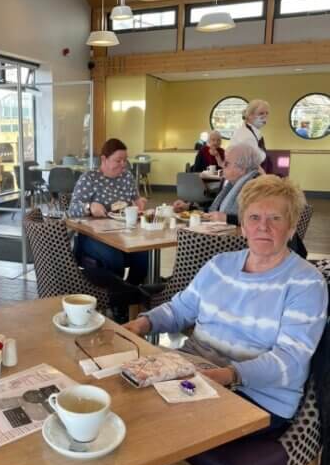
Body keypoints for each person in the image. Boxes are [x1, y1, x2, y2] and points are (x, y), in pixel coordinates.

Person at [128, 176, 327, 435]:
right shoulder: (220, 264)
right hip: (191, 369)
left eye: (275, 219)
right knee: (126, 405)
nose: (263, 227)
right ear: (242, 225)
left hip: (257, 397)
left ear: (291, 228)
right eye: (254, 218)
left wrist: (229, 375)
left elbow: (289, 360)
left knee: (150, 429)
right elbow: (179, 310)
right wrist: (141, 324)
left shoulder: (306, 283)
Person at [68, 138, 149, 287]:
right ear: (104, 159)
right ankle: (115, 299)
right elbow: (72, 209)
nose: (123, 165)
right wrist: (89, 207)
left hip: (123, 234)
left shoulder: (127, 178)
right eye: (118, 161)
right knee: (113, 257)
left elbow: (136, 199)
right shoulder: (90, 178)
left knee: (143, 255)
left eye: (125, 160)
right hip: (92, 237)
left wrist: (139, 202)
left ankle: (129, 293)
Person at [174, 142, 264, 223]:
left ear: (242, 169)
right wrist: (188, 207)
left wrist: (227, 218)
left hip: (237, 238)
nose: (222, 166)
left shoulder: (256, 187)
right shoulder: (232, 184)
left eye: (227, 163)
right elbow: (214, 210)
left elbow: (257, 219)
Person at [229, 99, 273, 174]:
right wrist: (266, 178)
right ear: (249, 115)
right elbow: (253, 164)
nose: (265, 116)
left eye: (267, 113)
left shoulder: (254, 133)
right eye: (261, 113)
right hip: (244, 176)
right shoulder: (245, 135)